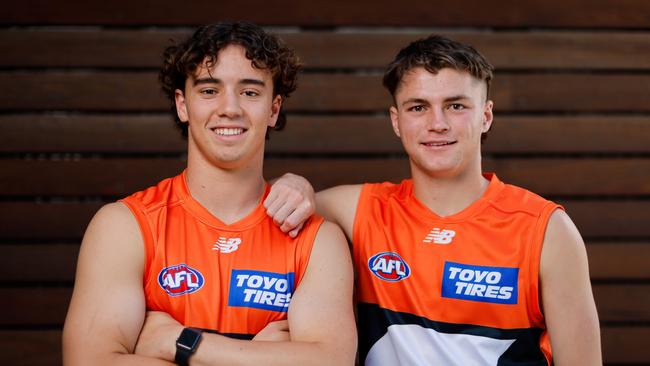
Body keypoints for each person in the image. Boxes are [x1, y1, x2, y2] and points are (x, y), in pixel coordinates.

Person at [266, 35, 601, 365]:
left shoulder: (547, 230)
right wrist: (293, 183)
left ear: (485, 116)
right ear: (396, 121)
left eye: (456, 106)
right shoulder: (360, 211)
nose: (437, 124)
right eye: (418, 107)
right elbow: (271, 204)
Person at [62, 21, 356, 366]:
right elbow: (89, 362)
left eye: (249, 92)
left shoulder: (316, 239)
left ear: (273, 110)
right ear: (182, 105)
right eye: (208, 90)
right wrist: (263, 357)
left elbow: (331, 361)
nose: (229, 108)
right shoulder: (125, 226)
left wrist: (182, 343)